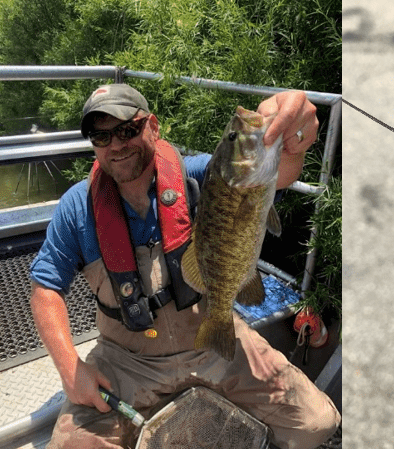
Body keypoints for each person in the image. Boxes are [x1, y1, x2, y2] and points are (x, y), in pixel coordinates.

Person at [29, 83, 340, 449]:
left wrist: (290, 140)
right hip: (128, 361)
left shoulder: (199, 175)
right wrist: (71, 368)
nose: (116, 144)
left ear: (153, 126)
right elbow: (44, 289)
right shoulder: (76, 207)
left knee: (318, 423)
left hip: (211, 339)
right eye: (101, 135)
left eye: (128, 129)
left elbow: (272, 175)